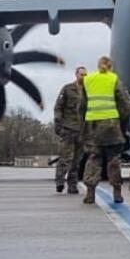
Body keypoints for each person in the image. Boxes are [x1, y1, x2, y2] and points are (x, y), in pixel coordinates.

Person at [81, 56, 130, 204]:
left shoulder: (88, 80)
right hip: (111, 125)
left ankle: (90, 193)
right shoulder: (113, 79)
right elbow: (126, 106)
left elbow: (81, 106)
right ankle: (117, 192)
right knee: (113, 159)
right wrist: (120, 122)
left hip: (93, 126)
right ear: (110, 66)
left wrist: (83, 124)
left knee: (94, 158)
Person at [53, 66, 88, 195]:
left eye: (85, 75)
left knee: (77, 160)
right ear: (76, 74)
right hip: (68, 128)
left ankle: (72, 184)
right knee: (65, 157)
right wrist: (58, 124)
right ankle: (60, 181)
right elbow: (58, 107)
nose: (83, 77)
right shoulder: (67, 89)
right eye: (81, 74)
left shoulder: (88, 91)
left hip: (82, 130)